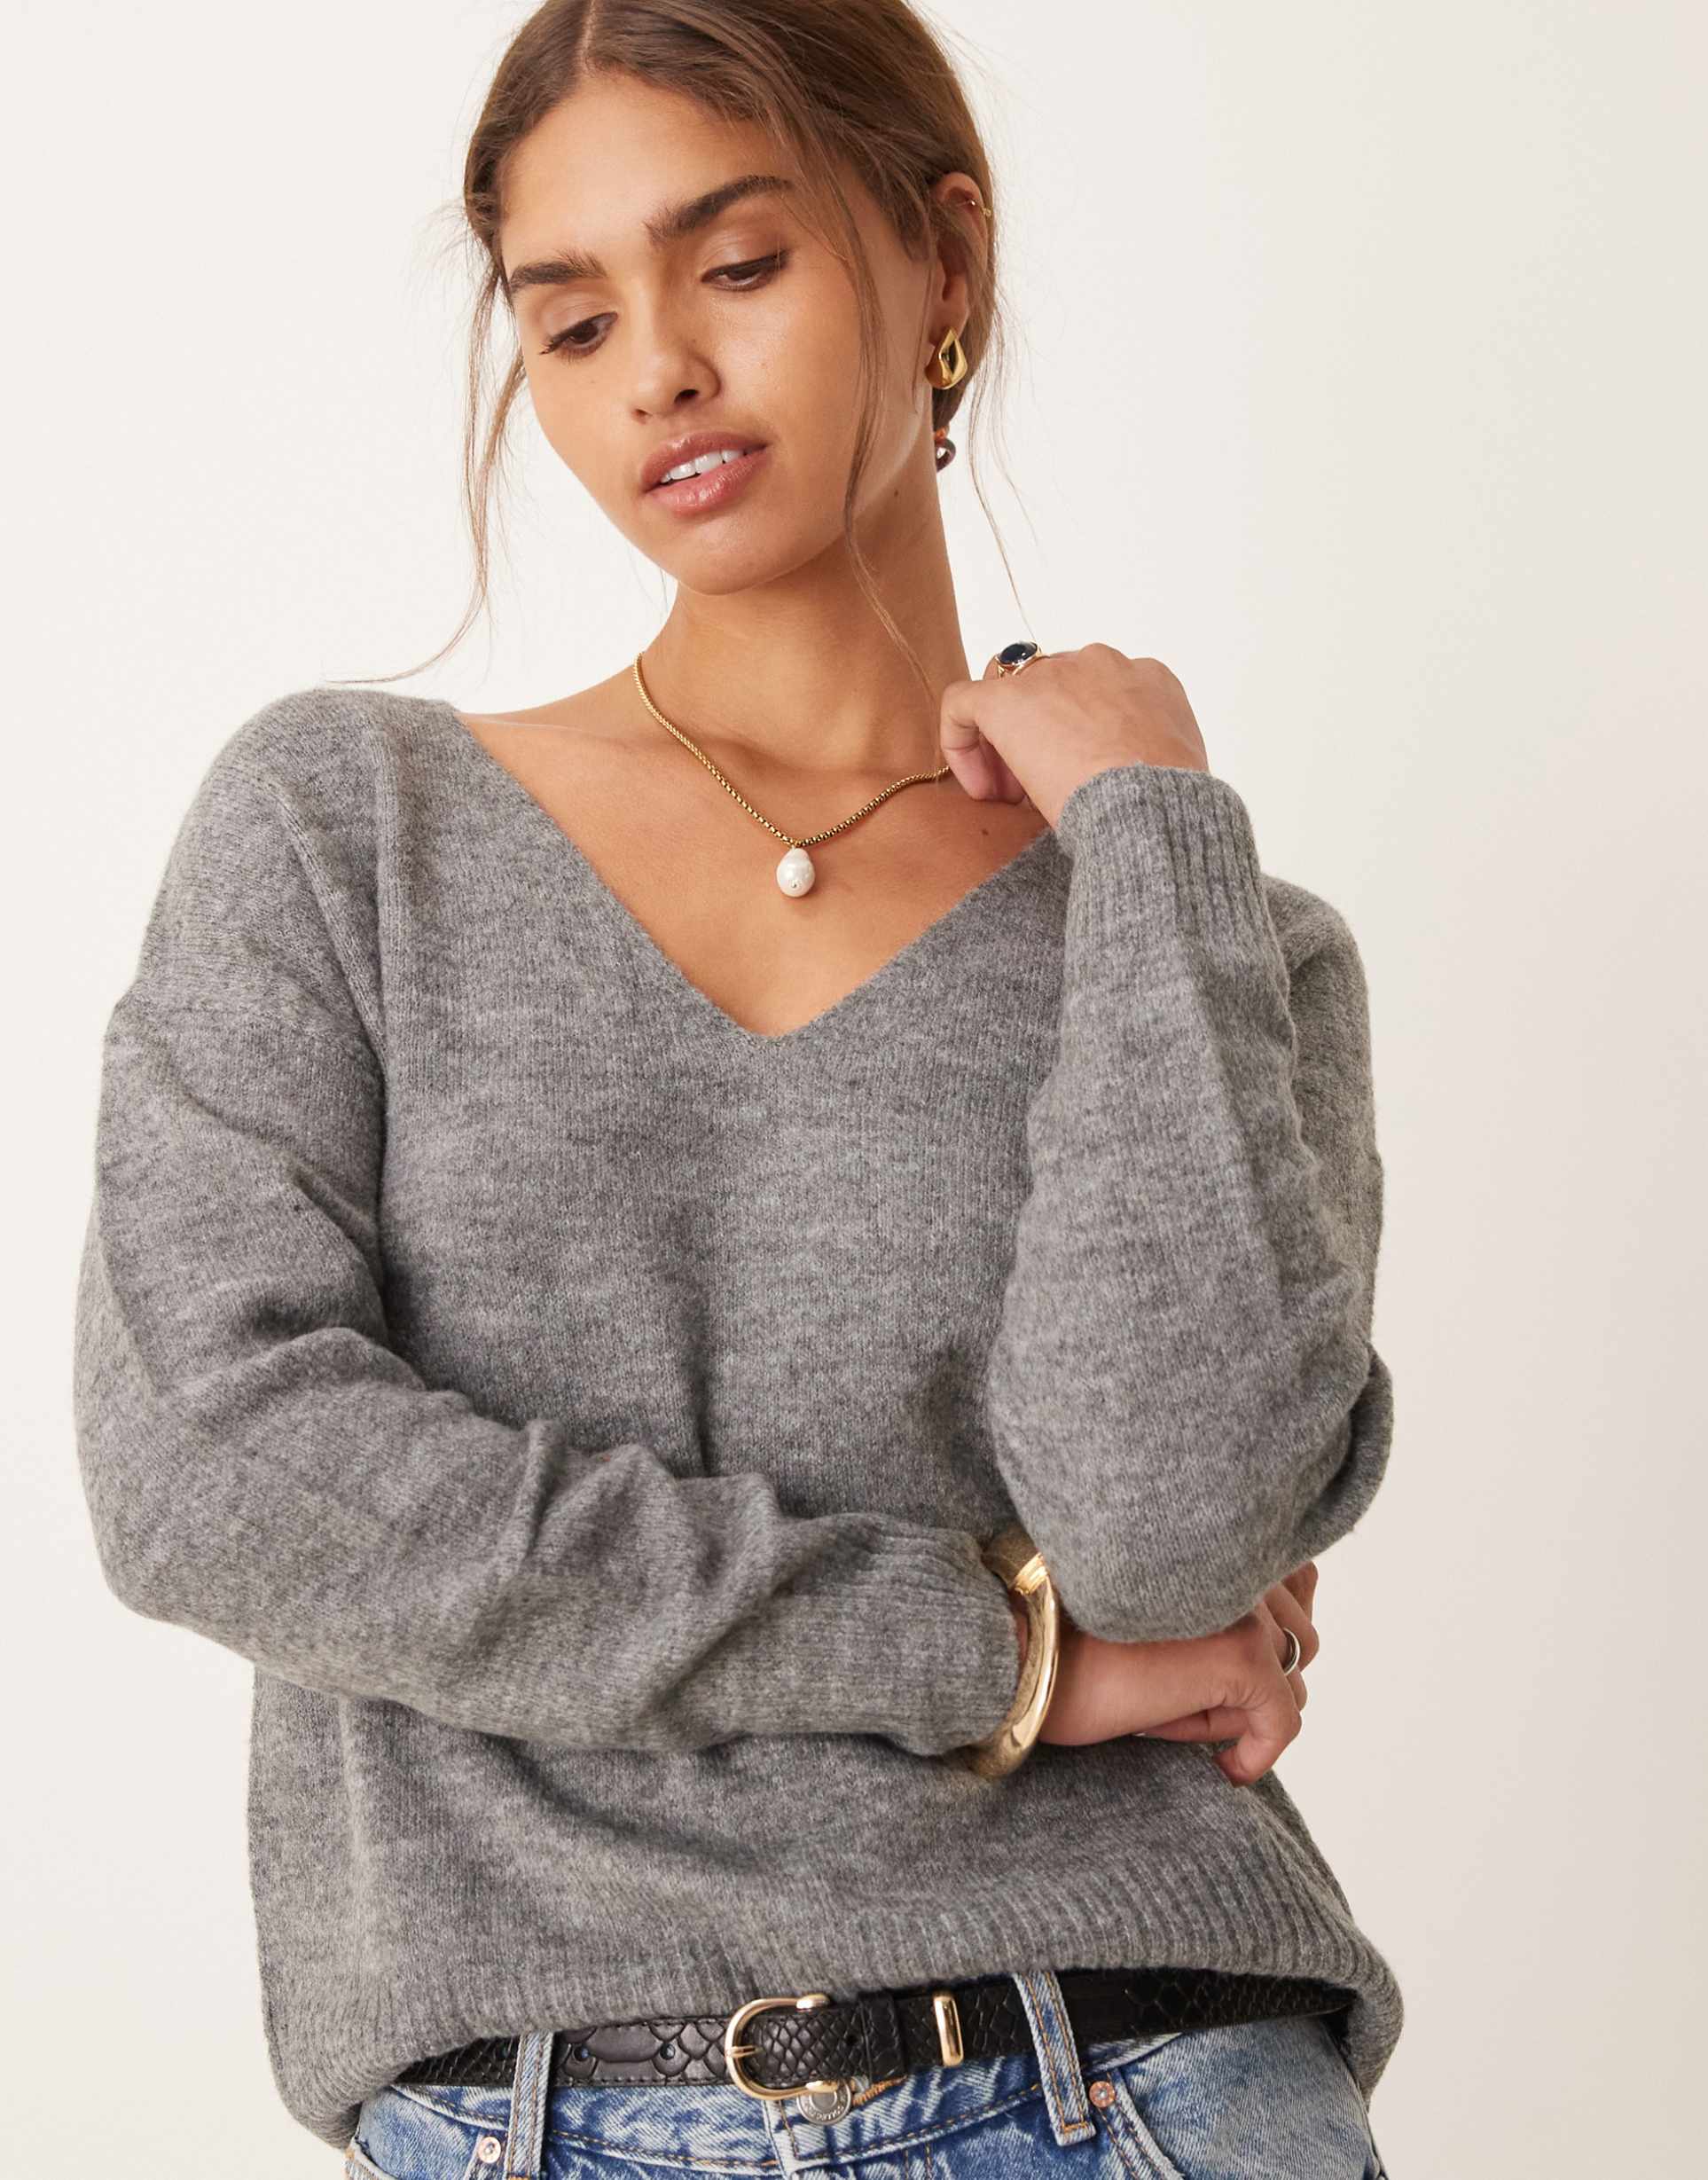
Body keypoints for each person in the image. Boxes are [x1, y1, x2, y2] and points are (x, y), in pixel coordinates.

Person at [72, 4, 1400, 2174]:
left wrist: (1156, 836)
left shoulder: (1209, 939)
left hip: (1148, 2073)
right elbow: (216, 1472)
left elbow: (1168, 1531)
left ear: (943, 259)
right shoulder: (349, 830)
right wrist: (990, 1648)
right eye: (575, 319)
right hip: (533, 2103)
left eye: (740, 264)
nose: (661, 372)